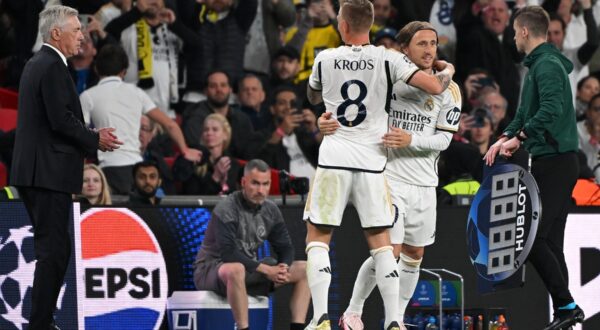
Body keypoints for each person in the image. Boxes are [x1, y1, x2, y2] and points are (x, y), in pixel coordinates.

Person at [302, 1, 455, 329]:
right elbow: (434, 85)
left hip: (415, 180)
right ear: (404, 49)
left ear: (342, 25)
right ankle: (356, 313)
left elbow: (317, 95)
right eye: (422, 43)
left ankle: (330, 317)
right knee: (386, 248)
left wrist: (326, 118)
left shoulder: (327, 57)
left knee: (405, 254)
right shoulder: (390, 66)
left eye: (433, 43)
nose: (429, 50)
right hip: (385, 173)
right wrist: (449, 70)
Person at [9, 5, 122, 329]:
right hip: (46, 173)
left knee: (56, 250)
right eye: (76, 30)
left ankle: (43, 321)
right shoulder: (51, 65)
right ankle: (41, 324)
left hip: (42, 172)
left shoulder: (41, 63)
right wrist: (94, 138)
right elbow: (61, 120)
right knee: (53, 252)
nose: (82, 36)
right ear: (56, 33)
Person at [484, 6, 584, 330]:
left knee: (530, 236)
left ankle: (567, 306)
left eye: (515, 32)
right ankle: (565, 313)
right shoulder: (540, 66)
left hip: (555, 160)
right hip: (552, 160)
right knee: (551, 242)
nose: (513, 37)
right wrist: (505, 138)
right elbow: (524, 114)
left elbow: (552, 109)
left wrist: (521, 137)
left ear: (525, 31)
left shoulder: (547, 65)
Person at [193, 159, 310, 330]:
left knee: (305, 269)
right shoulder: (227, 207)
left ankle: (297, 328)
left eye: (265, 184)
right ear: (243, 182)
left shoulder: (270, 209)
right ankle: (243, 328)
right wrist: (268, 270)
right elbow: (228, 254)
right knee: (236, 268)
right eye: (255, 183)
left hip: (248, 270)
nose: (261, 190)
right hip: (211, 270)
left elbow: (285, 247)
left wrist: (283, 268)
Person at [80, 44, 201, 194]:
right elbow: (170, 124)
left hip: (109, 168)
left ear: (96, 69)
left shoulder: (88, 96)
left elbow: (80, 136)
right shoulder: (137, 93)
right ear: (124, 72)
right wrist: (185, 150)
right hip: (138, 169)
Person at [182, 70, 264, 160]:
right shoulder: (194, 118)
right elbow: (198, 150)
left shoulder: (242, 119)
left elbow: (249, 151)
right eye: (213, 86)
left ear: (230, 90)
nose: (219, 90)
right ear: (205, 91)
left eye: (223, 85)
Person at [259, 86, 321, 181]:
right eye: (282, 103)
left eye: (292, 103)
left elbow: (330, 155)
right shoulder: (264, 136)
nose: (288, 107)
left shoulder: (305, 134)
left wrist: (314, 129)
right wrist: (281, 131)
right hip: (288, 193)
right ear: (272, 109)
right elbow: (261, 164)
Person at [178, 113, 243, 195]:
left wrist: (223, 184)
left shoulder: (232, 165)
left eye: (215, 129)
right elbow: (191, 195)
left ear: (225, 135)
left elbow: (233, 196)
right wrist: (215, 178)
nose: (209, 133)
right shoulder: (194, 161)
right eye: (206, 130)